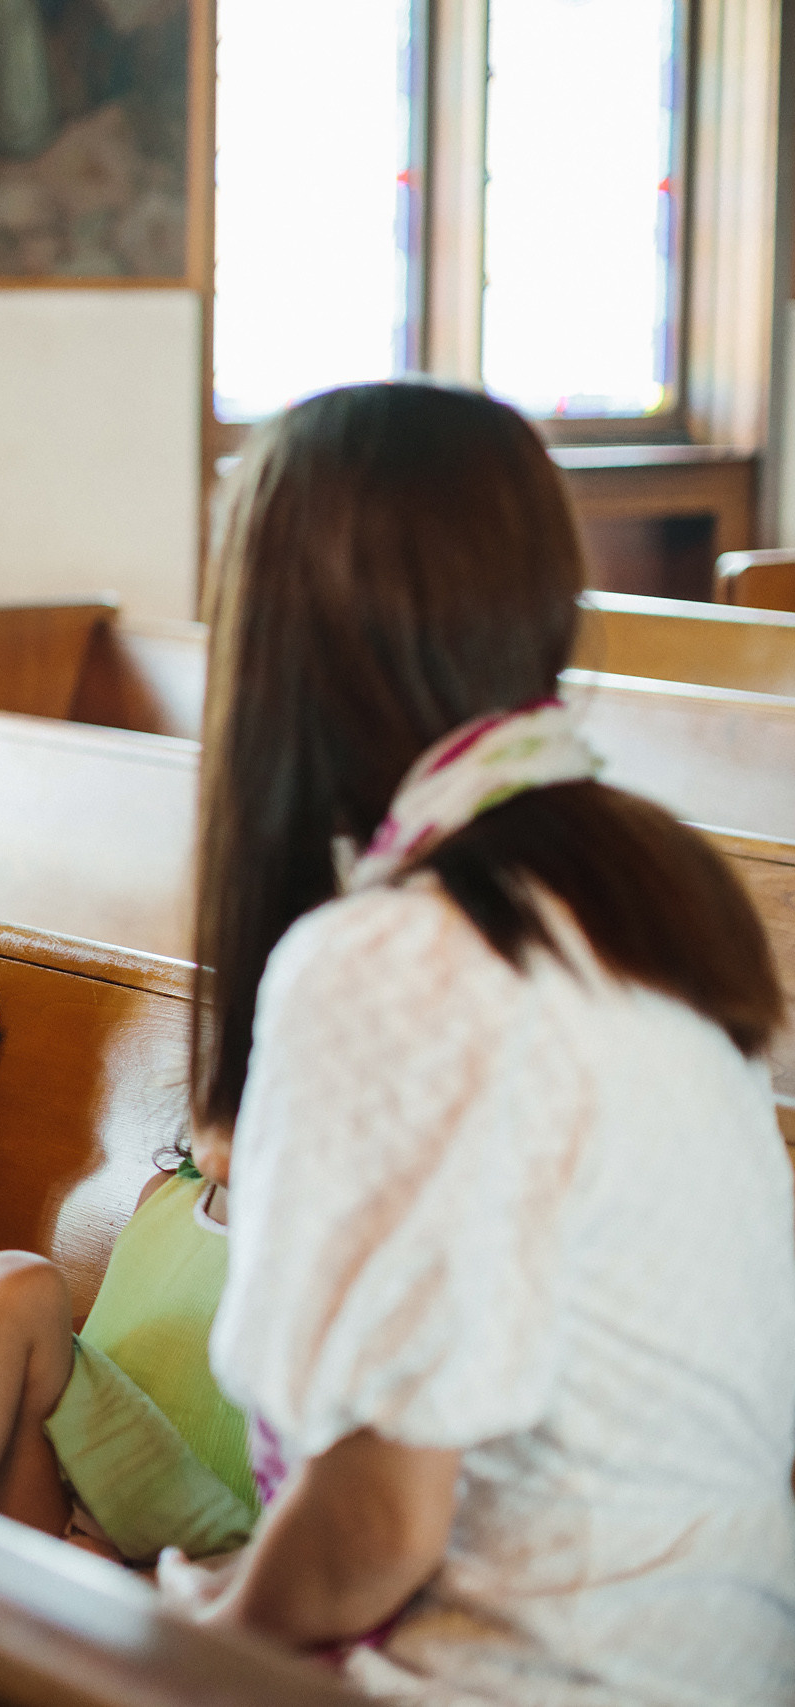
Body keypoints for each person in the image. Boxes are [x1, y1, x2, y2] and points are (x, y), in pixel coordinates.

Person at [159, 380, 795, 1705]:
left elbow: (380, 1526)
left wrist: (201, 1633)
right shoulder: (631, 879)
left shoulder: (408, 951)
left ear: (281, 637)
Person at [0, 1156, 254, 1566]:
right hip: (78, 1509)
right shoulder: (164, 1195)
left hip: (211, 1563)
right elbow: (116, 1353)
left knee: (14, 1284)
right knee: (8, 1289)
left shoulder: (330, 1250)